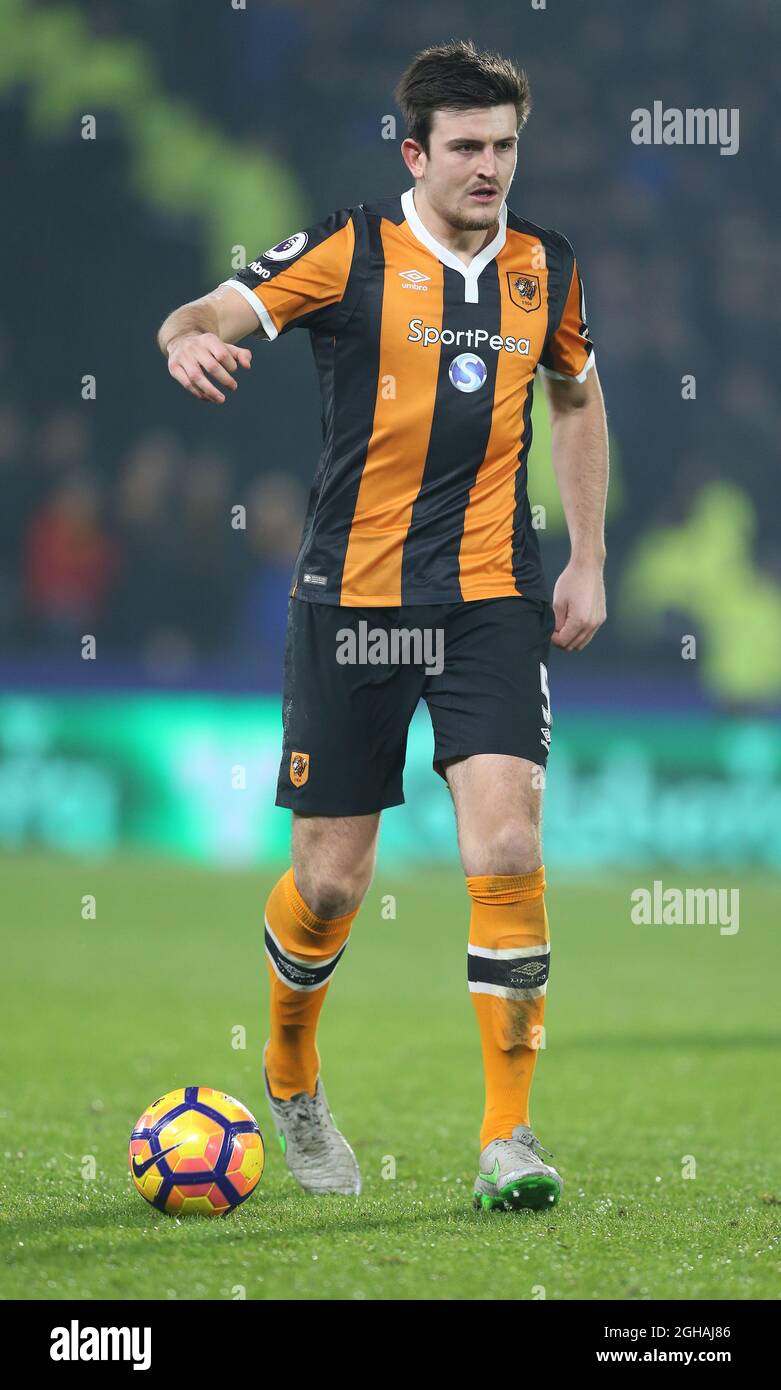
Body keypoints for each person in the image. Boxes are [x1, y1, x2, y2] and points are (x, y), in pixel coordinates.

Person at [157, 39, 608, 1212]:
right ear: (415, 151)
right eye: (466, 147)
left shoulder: (547, 268)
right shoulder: (350, 247)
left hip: (491, 601)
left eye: (505, 146)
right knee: (333, 879)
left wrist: (589, 556)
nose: (490, 168)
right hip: (352, 603)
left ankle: (509, 1136)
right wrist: (189, 338)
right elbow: (209, 306)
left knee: (507, 848)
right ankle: (291, 1071)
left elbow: (574, 393)